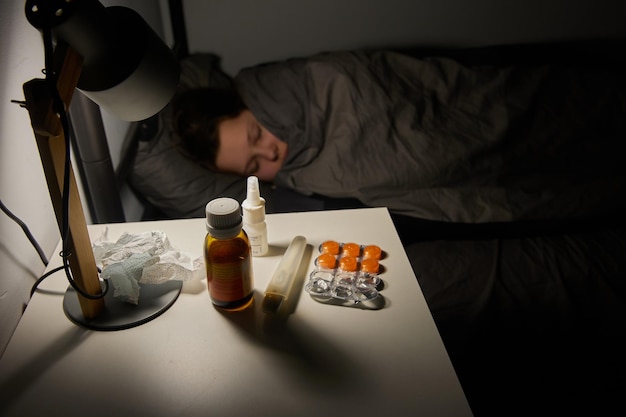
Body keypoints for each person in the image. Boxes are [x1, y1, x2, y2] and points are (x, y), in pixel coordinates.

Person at [171, 45, 626, 223]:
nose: (271, 148)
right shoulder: (301, 181)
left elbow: (390, 90)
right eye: (256, 165)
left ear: (249, 103)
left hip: (485, 107)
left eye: (256, 131)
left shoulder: (292, 82)